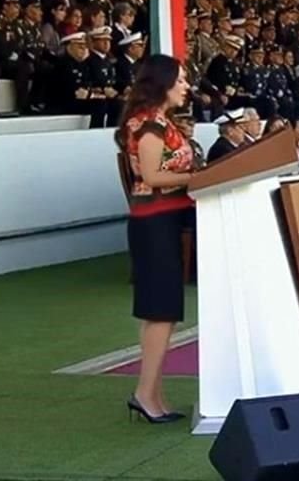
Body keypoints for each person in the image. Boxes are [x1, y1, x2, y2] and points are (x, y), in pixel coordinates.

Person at [114, 54, 194, 424]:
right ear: (162, 82)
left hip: (162, 220)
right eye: (180, 80)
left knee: (161, 312)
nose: (186, 86)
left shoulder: (161, 122)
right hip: (153, 222)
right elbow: (151, 175)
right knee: (160, 312)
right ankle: (145, 394)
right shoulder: (149, 125)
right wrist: (195, 178)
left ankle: (152, 394)